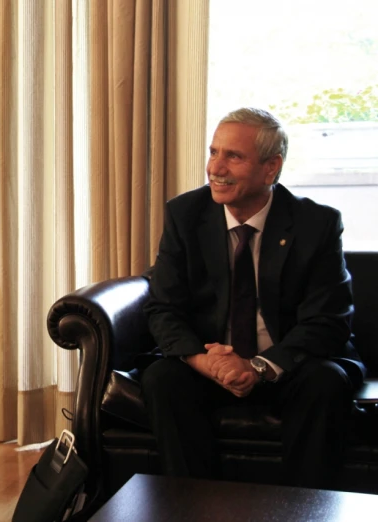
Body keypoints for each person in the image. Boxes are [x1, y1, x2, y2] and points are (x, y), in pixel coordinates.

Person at [141, 107, 363, 489]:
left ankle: (300, 510)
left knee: (326, 382)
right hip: (211, 364)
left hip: (288, 365)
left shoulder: (317, 224)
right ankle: (194, 508)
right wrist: (204, 361)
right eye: (214, 152)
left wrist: (258, 367)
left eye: (233, 156)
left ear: (271, 167)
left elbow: (327, 320)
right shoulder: (185, 214)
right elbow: (163, 306)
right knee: (163, 378)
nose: (216, 167)